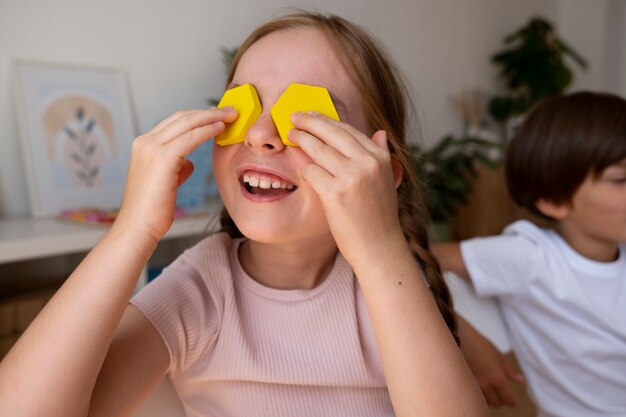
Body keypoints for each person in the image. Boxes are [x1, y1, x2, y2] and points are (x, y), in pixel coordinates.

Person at [0, 11, 488, 417]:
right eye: (241, 104)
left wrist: (382, 252)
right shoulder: (200, 288)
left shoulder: (385, 286)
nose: (260, 133)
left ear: (385, 174)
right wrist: (131, 231)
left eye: (310, 116)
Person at [434, 91, 626, 417]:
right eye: (621, 179)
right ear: (554, 200)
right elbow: (419, 258)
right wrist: (463, 338)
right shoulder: (531, 257)